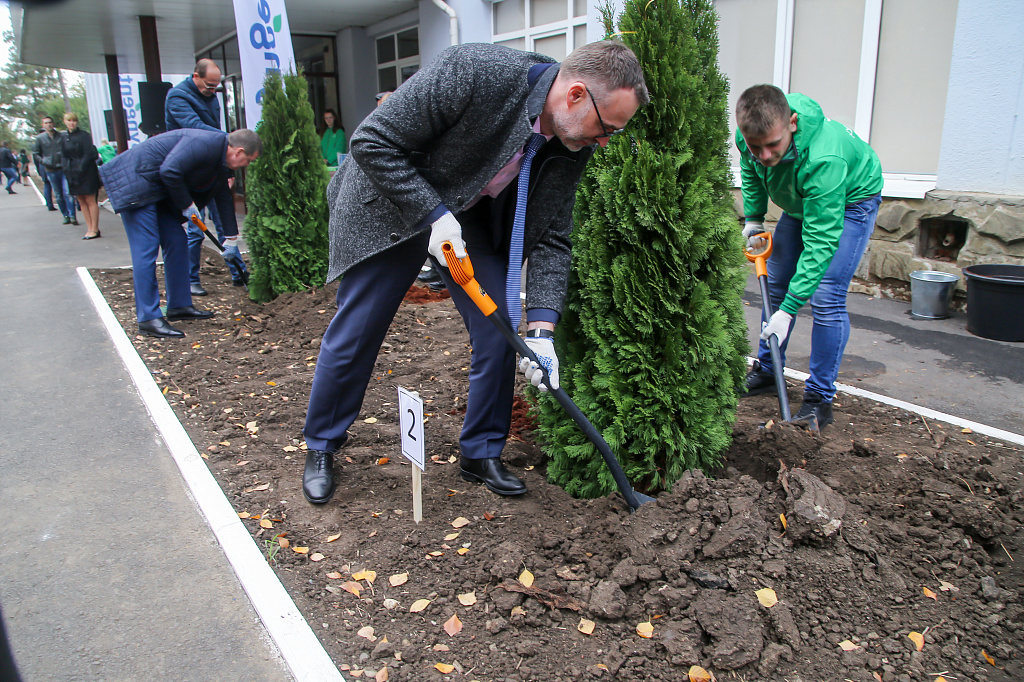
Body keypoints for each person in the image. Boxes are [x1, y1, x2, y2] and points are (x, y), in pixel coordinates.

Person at [300, 41, 647, 504]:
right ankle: (322, 444)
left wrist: (542, 330)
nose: (605, 142)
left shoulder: (575, 140)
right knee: (360, 326)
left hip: (470, 215)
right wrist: (432, 214)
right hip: (390, 200)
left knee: (498, 326)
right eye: (608, 128)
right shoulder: (477, 71)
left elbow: (552, 236)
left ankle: (481, 452)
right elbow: (372, 141)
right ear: (576, 94)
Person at [735, 84, 883, 429]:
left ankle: (819, 399)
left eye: (773, 145)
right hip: (803, 201)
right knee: (775, 285)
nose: (766, 155)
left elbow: (821, 242)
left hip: (849, 202)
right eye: (757, 147)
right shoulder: (752, 140)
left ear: (793, 123)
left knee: (826, 294)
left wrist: (788, 312)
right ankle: (770, 371)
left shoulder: (824, 158)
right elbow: (753, 172)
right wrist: (755, 217)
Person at [98, 128, 261, 338]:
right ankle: (148, 318)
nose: (246, 166)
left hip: (156, 191)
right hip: (136, 184)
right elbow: (170, 170)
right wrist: (187, 204)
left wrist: (231, 239)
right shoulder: (206, 144)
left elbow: (223, 198)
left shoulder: (220, 161)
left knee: (177, 241)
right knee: (146, 248)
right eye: (248, 160)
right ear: (238, 152)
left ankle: (179, 306)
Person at [165, 58, 247, 294]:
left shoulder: (211, 97)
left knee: (224, 223)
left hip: (213, 167)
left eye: (215, 87)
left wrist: (228, 169)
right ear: (195, 77)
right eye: (209, 86)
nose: (212, 91)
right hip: (190, 171)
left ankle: (239, 274)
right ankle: (191, 279)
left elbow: (218, 141)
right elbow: (195, 127)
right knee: (196, 227)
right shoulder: (178, 97)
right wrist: (230, 139)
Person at [60, 112, 103, 239]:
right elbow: (63, 155)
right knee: (81, 201)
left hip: (87, 171)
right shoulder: (63, 138)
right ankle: (89, 228)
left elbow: (88, 153)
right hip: (72, 173)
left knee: (90, 200)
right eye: (69, 120)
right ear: (65, 121)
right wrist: (67, 169)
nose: (72, 123)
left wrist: (80, 168)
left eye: (74, 120)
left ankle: (95, 229)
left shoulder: (84, 135)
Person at [32, 116, 77, 224]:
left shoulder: (62, 135)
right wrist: (44, 161)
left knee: (68, 192)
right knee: (58, 195)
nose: (49, 124)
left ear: (53, 123)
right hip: (50, 169)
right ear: (43, 125)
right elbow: (36, 154)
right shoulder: (40, 138)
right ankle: (65, 215)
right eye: (46, 123)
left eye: (50, 122)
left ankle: (72, 215)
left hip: (64, 168)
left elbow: (70, 148)